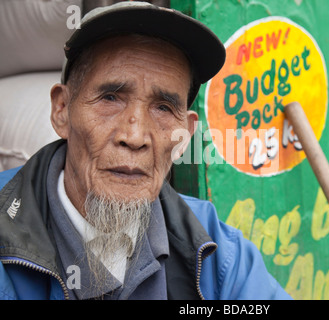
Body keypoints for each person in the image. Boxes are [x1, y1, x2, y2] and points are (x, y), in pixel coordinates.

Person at [0, 1, 291, 300]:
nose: (135, 136)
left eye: (163, 107)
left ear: (184, 136)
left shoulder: (218, 252)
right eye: (110, 98)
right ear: (62, 110)